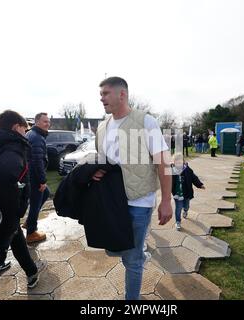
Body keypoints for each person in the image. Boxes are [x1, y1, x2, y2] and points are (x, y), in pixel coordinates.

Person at [95, 77, 172, 300]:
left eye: (106, 93)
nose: (101, 98)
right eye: (100, 94)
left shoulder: (146, 122)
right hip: (111, 202)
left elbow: (164, 163)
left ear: (122, 94)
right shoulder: (102, 127)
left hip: (138, 203)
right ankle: (139, 254)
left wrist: (166, 200)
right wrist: (97, 171)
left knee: (131, 261)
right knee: (114, 250)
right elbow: (103, 160)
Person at [0, 110, 46, 300]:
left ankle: (31, 271)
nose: (26, 132)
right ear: (16, 127)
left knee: (16, 238)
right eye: (24, 128)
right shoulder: (12, 147)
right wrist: (14, 211)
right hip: (4, 213)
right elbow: (4, 179)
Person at [23, 112, 51, 244]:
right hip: (34, 177)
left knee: (46, 193)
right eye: (45, 121)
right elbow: (37, 161)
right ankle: (31, 232)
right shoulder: (37, 137)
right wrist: (42, 181)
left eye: (48, 121)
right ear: (37, 122)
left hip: (30, 175)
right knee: (35, 202)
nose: (48, 124)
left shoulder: (33, 134)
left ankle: (29, 221)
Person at [171, 153, 205, 230]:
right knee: (178, 208)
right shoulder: (171, 170)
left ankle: (185, 211)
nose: (179, 163)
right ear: (173, 162)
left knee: (186, 206)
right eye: (176, 161)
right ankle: (178, 221)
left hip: (186, 192)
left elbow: (194, 178)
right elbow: (166, 180)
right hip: (177, 194)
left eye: (180, 161)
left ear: (183, 161)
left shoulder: (187, 170)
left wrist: (200, 184)